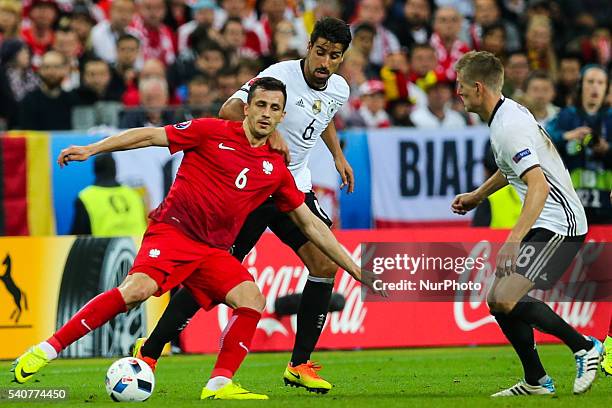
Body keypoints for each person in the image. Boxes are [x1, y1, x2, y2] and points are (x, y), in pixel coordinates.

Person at [11, 77, 377, 400]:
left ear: (282, 117)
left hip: (212, 251)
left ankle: (219, 384)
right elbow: (150, 136)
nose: (266, 113)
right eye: (261, 105)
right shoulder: (210, 131)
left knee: (251, 298)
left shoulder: (276, 170)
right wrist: (92, 149)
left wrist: (356, 269)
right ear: (246, 108)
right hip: (173, 231)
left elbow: (312, 226)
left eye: (275, 108)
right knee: (137, 289)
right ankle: (47, 348)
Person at [131, 17, 354, 394]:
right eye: (320, 52)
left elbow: (325, 114)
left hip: (290, 187)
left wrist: (337, 155)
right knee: (211, 282)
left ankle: (299, 364)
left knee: (324, 263)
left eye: (334, 56)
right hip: (249, 188)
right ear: (308, 47)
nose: (325, 62)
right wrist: (275, 132)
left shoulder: (339, 88)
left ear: (342, 57)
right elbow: (229, 110)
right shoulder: (279, 75)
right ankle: (150, 351)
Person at [452, 51, 603, 397]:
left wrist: (514, 238)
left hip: (561, 224)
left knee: (505, 299)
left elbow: (539, 184)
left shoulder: (508, 126)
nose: (458, 93)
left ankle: (585, 347)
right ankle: (536, 381)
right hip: (547, 219)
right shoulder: (505, 115)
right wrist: (478, 195)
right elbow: (512, 169)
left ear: (477, 88)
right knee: (497, 300)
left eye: (461, 87)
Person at [546, 65, 612, 224]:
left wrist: (607, 148)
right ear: (580, 85)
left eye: (600, 82)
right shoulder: (565, 115)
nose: (595, 87)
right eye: (590, 81)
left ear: (607, 88)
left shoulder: (611, 118)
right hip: (570, 202)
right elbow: (542, 140)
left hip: (606, 203)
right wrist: (568, 136)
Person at [71, 154, 147, 237]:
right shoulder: (133, 194)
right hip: (137, 247)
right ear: (115, 169)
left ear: (94, 170)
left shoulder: (86, 197)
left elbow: (78, 236)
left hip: (105, 248)